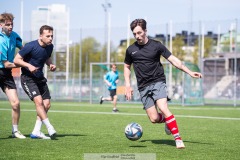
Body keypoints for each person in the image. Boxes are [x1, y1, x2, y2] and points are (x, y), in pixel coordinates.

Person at [124, 19, 202, 149]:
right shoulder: (131, 50)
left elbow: (174, 60)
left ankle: (178, 139)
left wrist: (189, 72)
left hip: (158, 81)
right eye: (135, 34)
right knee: (154, 119)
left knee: (164, 108)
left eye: (139, 32)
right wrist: (127, 85)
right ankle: (167, 120)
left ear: (145, 31)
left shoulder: (157, 45)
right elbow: (126, 67)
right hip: (142, 87)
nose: (137, 36)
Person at [14, 25, 57, 140]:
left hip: (40, 78)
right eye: (48, 36)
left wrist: (50, 64)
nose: (50, 38)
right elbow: (16, 60)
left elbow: (46, 57)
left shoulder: (50, 46)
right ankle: (49, 127)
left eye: (52, 36)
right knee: (39, 102)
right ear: (41, 36)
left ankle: (36, 131)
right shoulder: (30, 46)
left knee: (47, 104)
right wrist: (29, 65)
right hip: (28, 78)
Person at [0, 12, 26, 139]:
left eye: (12, 24)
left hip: (5, 74)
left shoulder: (15, 36)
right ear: (1, 25)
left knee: (15, 103)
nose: (10, 27)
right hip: (5, 67)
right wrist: (25, 65)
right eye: (7, 24)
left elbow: (24, 49)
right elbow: (6, 64)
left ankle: (15, 131)